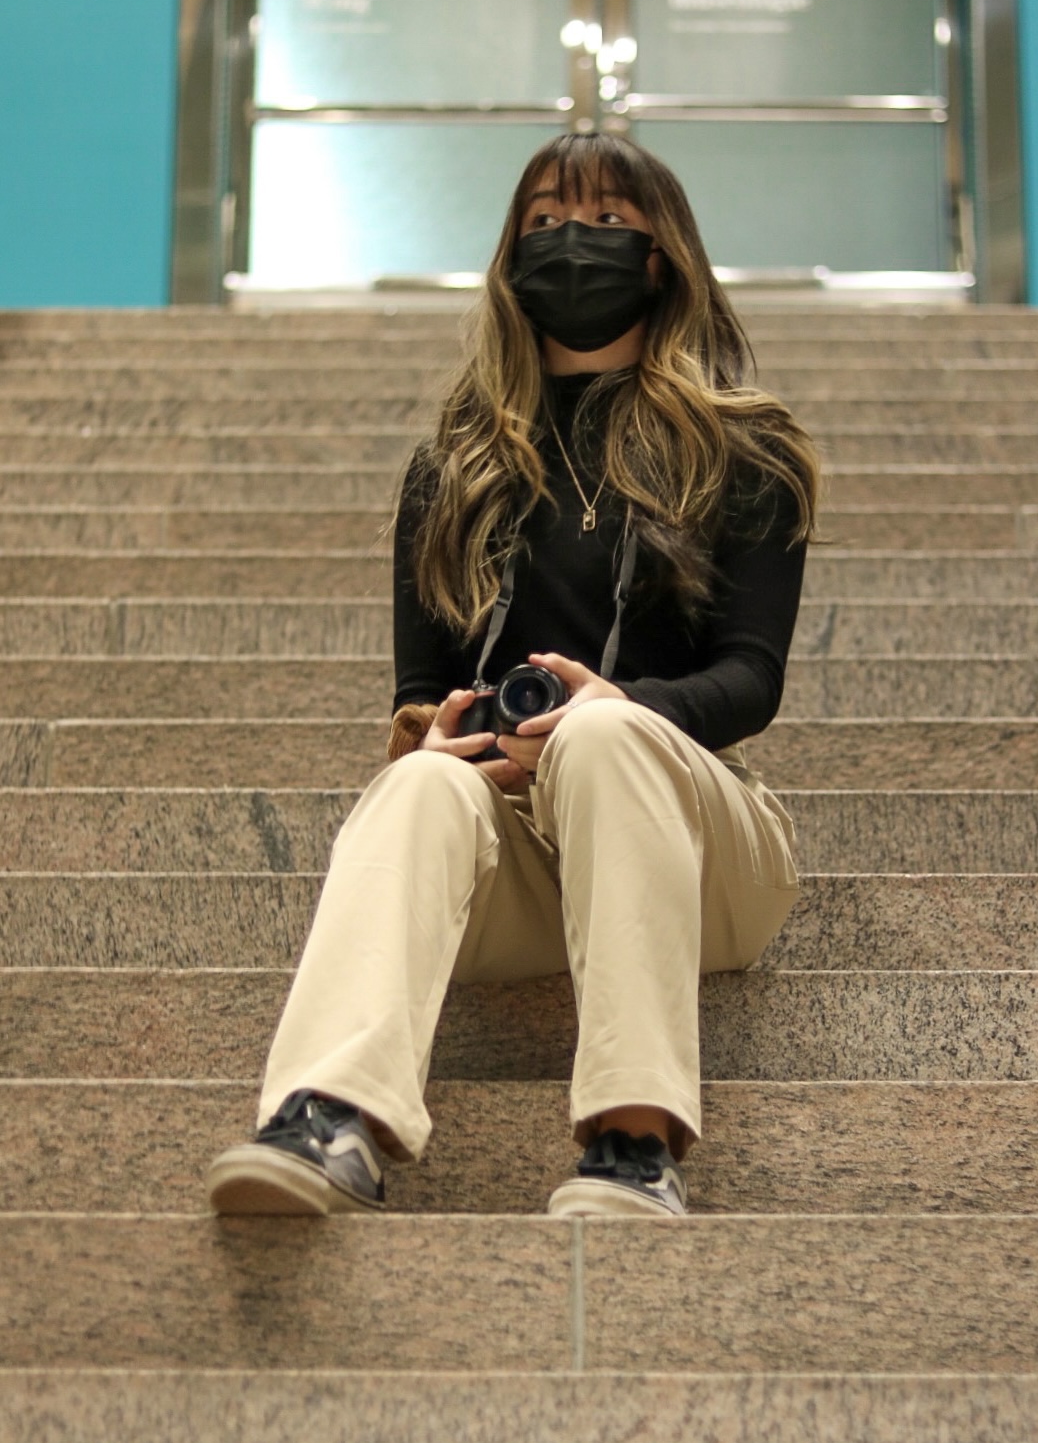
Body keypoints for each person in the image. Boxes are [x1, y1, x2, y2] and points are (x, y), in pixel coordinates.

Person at [206, 130, 820, 1221]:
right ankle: (326, 1120)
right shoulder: (454, 462)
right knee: (420, 785)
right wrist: (438, 737)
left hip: (703, 853)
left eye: (600, 224)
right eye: (540, 223)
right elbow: (418, 687)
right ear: (507, 257)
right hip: (522, 854)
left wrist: (615, 707)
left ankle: (634, 1144)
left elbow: (752, 680)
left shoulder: (746, 449)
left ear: (661, 255)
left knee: (605, 734)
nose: (566, 245)